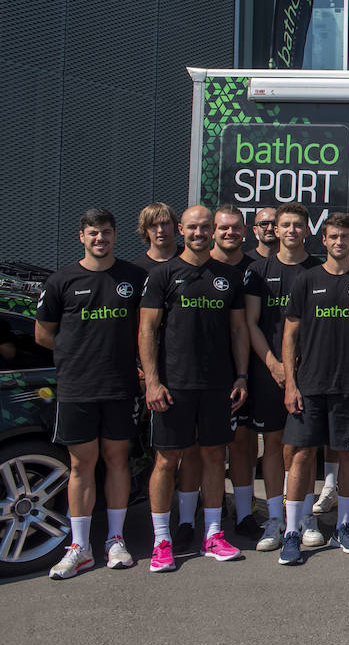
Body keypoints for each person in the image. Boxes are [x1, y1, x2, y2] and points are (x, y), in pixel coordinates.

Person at [138, 205, 251, 572]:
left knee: (215, 456)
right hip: (173, 385)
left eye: (206, 227)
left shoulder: (228, 277)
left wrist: (242, 375)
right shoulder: (162, 275)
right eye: (193, 227)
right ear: (180, 230)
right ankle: (162, 541)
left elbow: (238, 331)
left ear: (214, 231)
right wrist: (152, 381)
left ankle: (213, 534)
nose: (200, 233)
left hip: (217, 384)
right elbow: (147, 331)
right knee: (168, 459)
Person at [36, 208, 144, 578]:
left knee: (117, 459)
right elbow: (43, 333)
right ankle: (79, 547)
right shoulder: (61, 280)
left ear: (116, 235)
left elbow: (144, 330)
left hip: (120, 386)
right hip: (77, 387)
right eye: (93, 233)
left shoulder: (133, 277)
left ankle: (115, 540)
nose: (101, 239)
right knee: (81, 464)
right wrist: (77, 357)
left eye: (107, 232)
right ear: (81, 236)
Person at [277, 214, 349, 564]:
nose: (340, 241)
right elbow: (290, 335)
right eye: (333, 236)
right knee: (302, 456)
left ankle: (343, 526)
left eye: (346, 236)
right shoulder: (307, 280)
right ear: (323, 240)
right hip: (310, 386)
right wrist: (291, 383)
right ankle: (292, 531)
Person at [243, 202, 321, 551]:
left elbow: (321, 326)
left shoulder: (319, 269)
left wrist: (300, 365)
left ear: (307, 229)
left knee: (302, 447)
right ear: (274, 229)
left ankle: (305, 516)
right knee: (273, 444)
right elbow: (250, 323)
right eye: (283, 224)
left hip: (308, 373)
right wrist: (273, 364)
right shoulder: (258, 270)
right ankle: (274, 518)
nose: (289, 230)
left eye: (296, 225)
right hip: (269, 372)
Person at [207, 205, 266, 542]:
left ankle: (244, 513)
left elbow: (247, 326)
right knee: (203, 450)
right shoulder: (199, 266)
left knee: (242, 445)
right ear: (214, 231)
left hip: (244, 373)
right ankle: (199, 516)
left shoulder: (253, 270)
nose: (230, 233)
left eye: (235, 228)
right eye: (223, 228)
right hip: (203, 374)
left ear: (245, 232)